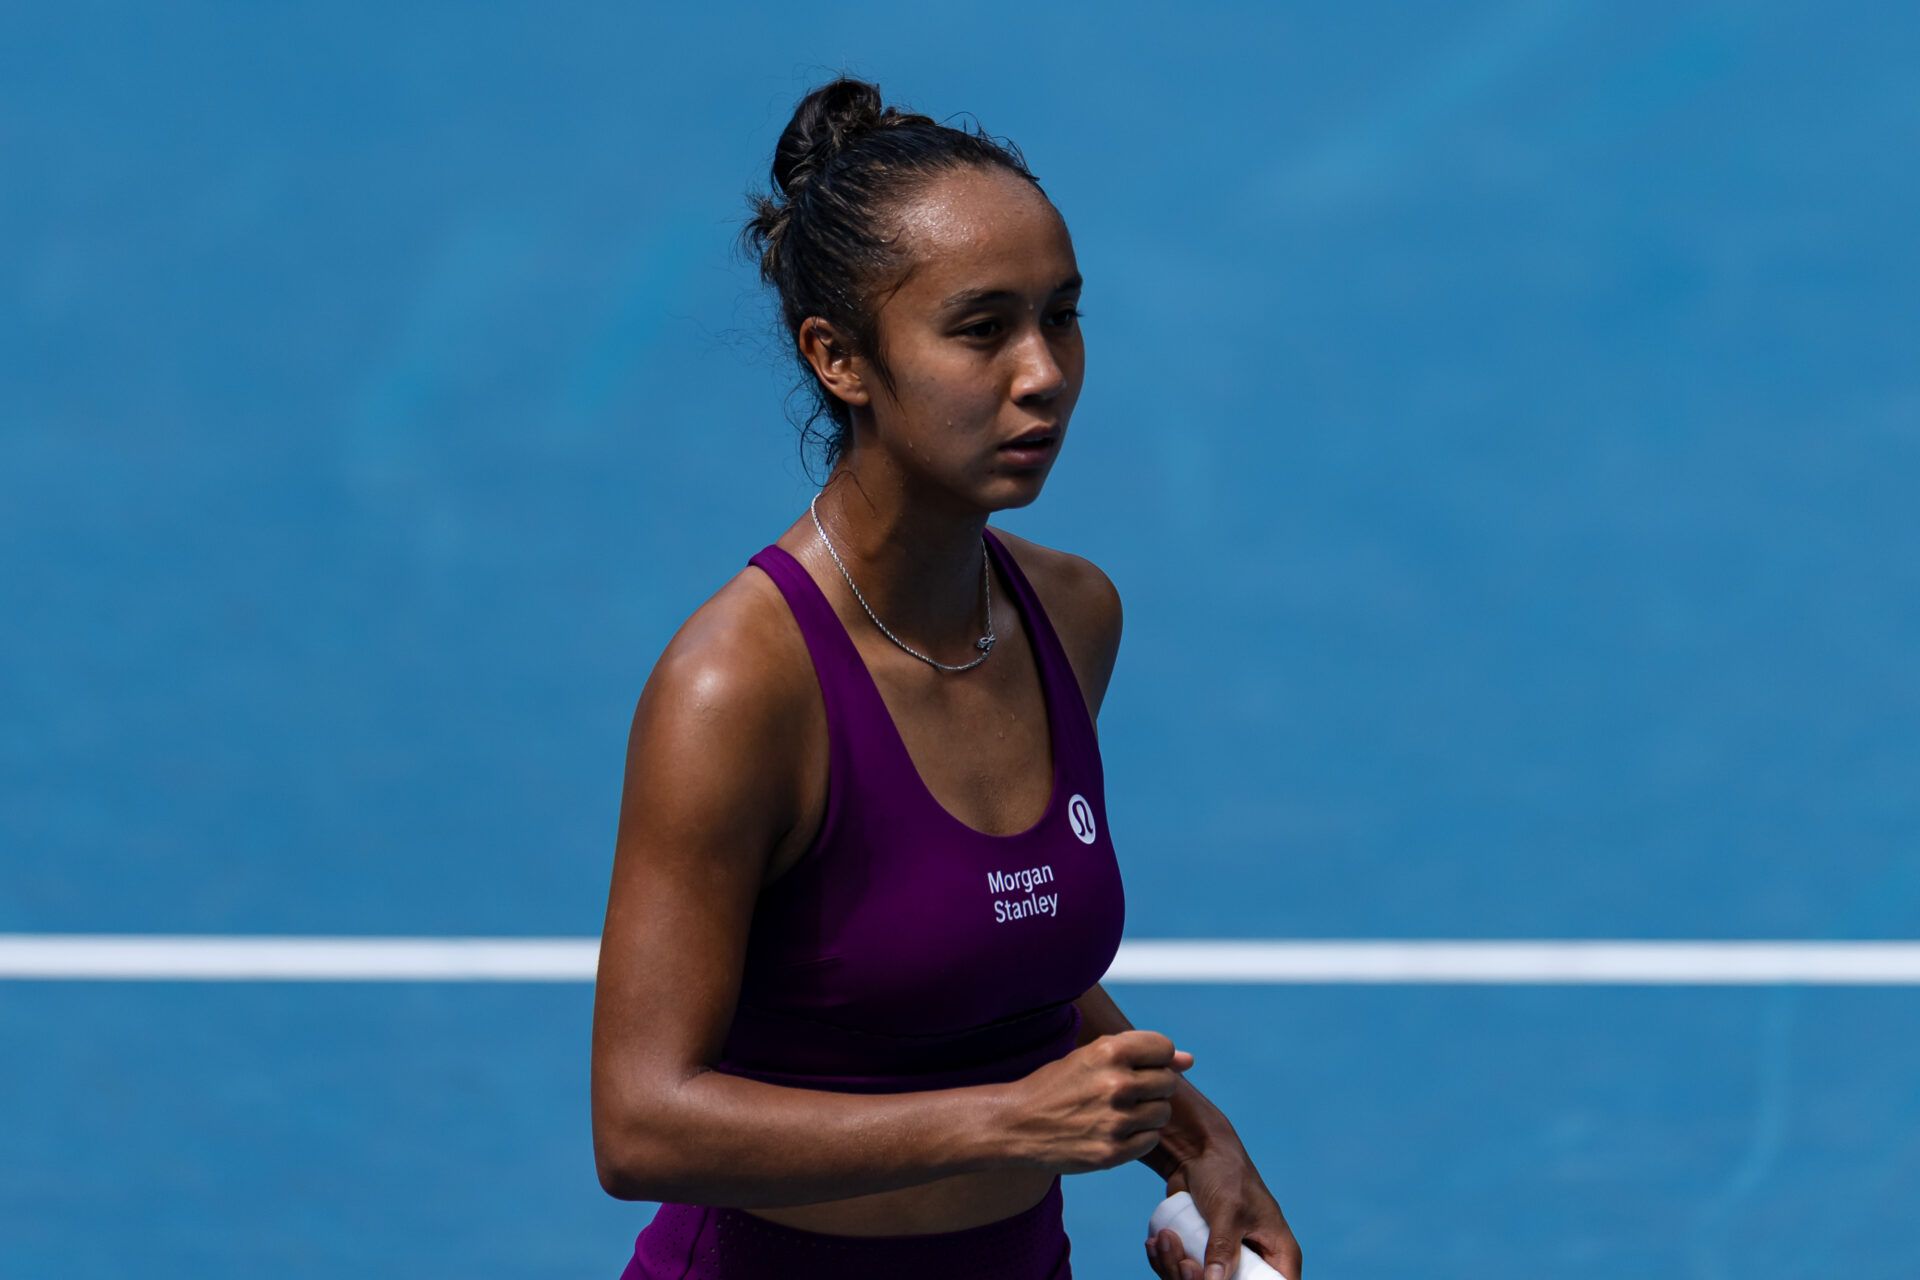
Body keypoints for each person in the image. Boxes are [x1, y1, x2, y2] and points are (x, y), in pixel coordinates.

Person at [591, 74, 1303, 1280]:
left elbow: (982, 958)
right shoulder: (738, 688)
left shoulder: (1071, 616)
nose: (1044, 374)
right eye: (981, 329)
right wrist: (1010, 1119)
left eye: (1062, 316)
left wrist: (1195, 1138)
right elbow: (641, 1121)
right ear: (840, 358)